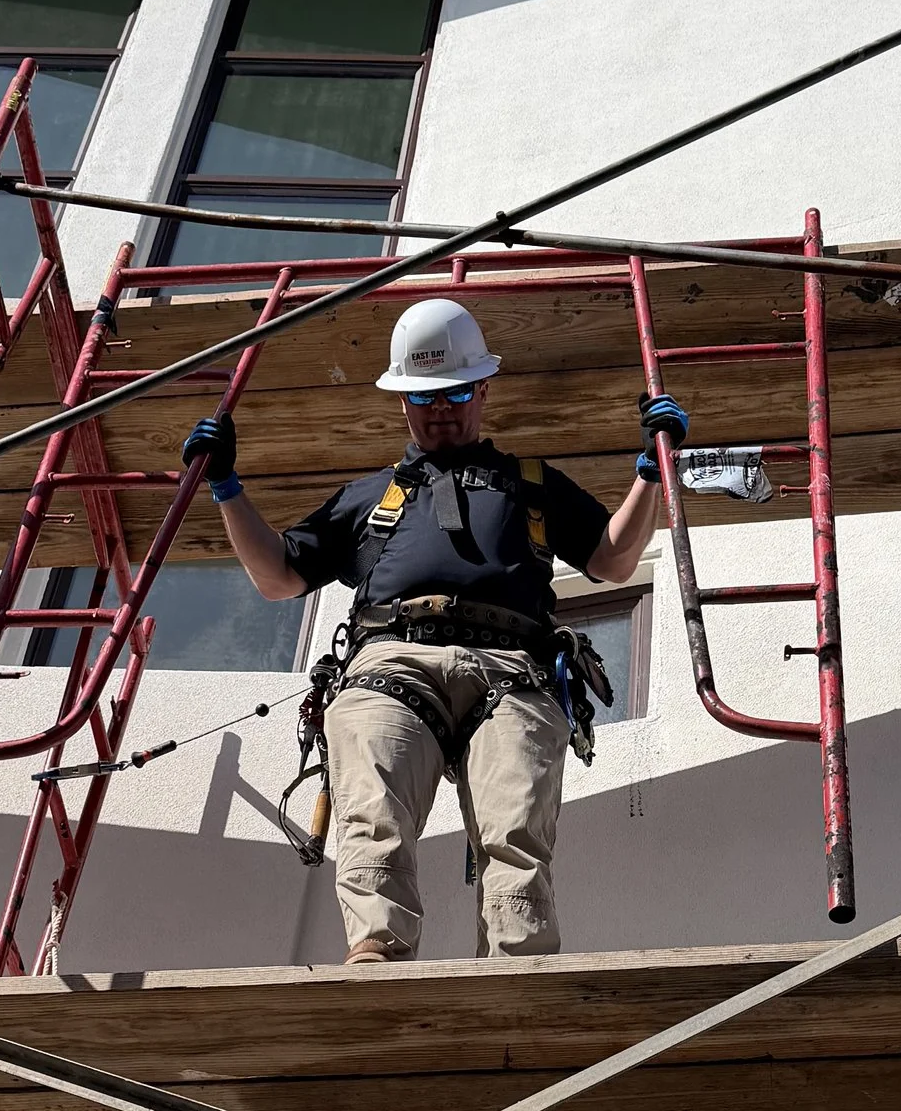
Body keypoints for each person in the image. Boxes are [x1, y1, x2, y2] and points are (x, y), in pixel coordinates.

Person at [184, 295, 685, 963]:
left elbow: (615, 558)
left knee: (515, 830)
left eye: (453, 392)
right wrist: (225, 487)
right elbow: (278, 575)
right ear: (402, 403)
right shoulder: (370, 497)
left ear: (482, 387)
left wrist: (649, 474)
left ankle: (517, 969)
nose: (441, 409)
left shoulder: (530, 486)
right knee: (374, 817)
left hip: (513, 669)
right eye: (424, 398)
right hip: (391, 667)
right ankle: (378, 958)